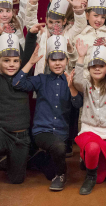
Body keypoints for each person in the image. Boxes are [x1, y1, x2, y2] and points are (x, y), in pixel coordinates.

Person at [0, 19, 39, 198]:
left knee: (17, 179)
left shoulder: (23, 80)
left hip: (22, 136)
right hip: (0, 131)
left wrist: (31, 35)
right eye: (6, 61)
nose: (11, 64)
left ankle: (6, 160)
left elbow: (27, 58)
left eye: (15, 61)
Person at [12, 28, 83, 191]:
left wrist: (72, 87)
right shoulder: (41, 79)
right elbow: (17, 83)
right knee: (58, 148)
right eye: (53, 59)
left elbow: (78, 105)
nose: (57, 63)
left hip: (61, 132)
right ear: (48, 62)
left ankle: (39, 159)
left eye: (61, 59)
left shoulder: (70, 80)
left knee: (51, 166)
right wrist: (30, 62)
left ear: (66, 60)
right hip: (42, 131)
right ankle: (61, 175)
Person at [73, 38, 106, 195]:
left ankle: (90, 164)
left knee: (101, 179)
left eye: (101, 66)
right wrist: (81, 58)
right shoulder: (87, 85)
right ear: (89, 68)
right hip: (89, 131)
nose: (97, 69)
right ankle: (90, 175)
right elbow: (77, 81)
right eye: (93, 66)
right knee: (93, 148)